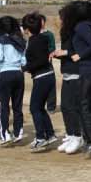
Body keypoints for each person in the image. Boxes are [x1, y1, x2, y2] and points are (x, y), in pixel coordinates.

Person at [52, 1, 91, 157]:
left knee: (83, 106)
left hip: (87, 70)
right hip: (88, 69)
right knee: (84, 106)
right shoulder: (86, 26)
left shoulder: (81, 27)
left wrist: (79, 55)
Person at [22, 12, 57, 150]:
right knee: (40, 108)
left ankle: (41, 138)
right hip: (47, 75)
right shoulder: (42, 38)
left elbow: (41, 60)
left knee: (34, 108)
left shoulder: (34, 41)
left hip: (42, 77)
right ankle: (50, 135)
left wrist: (25, 68)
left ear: (26, 29)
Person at [0, 16, 27, 144]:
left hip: (5, 73)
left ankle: (5, 134)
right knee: (17, 105)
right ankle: (18, 132)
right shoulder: (20, 40)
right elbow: (24, 61)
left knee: (4, 105)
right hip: (18, 73)